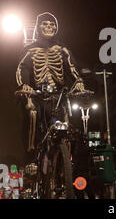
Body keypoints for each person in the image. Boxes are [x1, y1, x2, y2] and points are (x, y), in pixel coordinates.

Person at [15, 12, 90, 164]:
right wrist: (24, 85)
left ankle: (65, 163)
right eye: (45, 24)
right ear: (38, 27)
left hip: (57, 96)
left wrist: (79, 82)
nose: (49, 27)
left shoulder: (62, 49)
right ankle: (31, 157)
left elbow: (72, 67)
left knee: (66, 125)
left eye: (52, 24)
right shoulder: (30, 49)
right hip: (37, 96)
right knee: (32, 113)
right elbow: (22, 68)